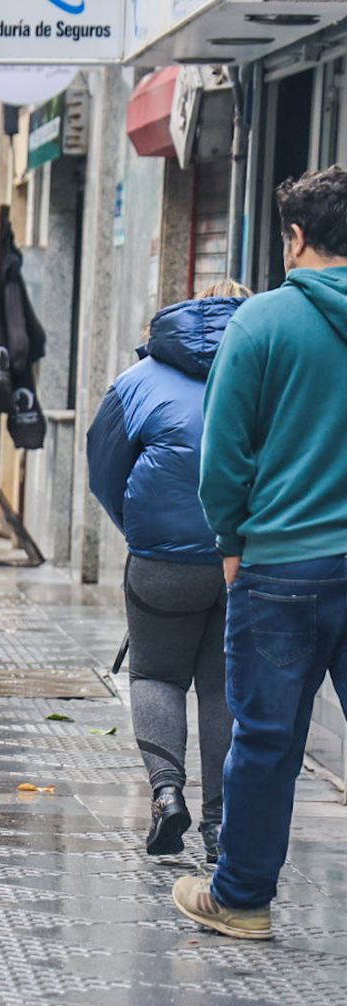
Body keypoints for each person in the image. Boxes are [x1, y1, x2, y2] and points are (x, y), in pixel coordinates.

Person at [173, 166, 347, 942]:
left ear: (298, 237)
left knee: (268, 740)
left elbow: (222, 458)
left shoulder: (261, 321)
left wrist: (231, 542)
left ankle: (241, 900)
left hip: (280, 566)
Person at [86, 281, 247, 863]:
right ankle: (220, 826)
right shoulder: (270, 372)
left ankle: (167, 792)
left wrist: (141, 530)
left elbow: (103, 470)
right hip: (246, 561)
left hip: (160, 563)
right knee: (224, 687)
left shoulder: (136, 383)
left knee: (156, 676)